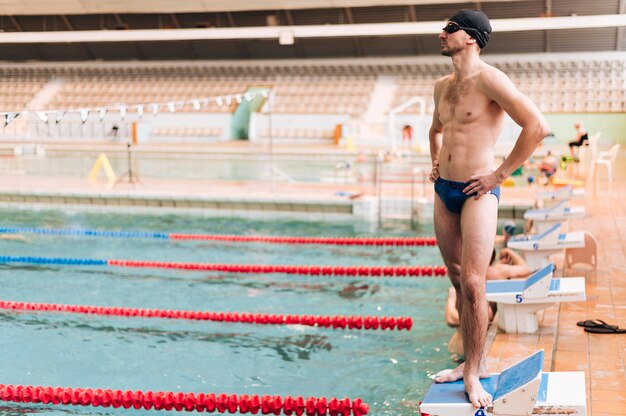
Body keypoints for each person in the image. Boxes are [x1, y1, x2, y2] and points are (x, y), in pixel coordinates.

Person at [428, 9, 550, 408]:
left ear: (472, 38)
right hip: (444, 189)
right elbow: (436, 130)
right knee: (456, 277)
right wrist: (434, 163)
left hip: (479, 190)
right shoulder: (441, 86)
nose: (442, 33)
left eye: (450, 28)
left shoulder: (490, 80)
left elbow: (536, 125)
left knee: (476, 283)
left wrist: (499, 175)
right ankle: (468, 361)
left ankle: (474, 371)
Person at [445, 247, 532, 355]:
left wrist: (451, 298)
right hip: (477, 348)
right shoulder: (500, 271)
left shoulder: (468, 280)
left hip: (462, 350)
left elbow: (452, 319)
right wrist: (510, 252)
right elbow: (525, 269)